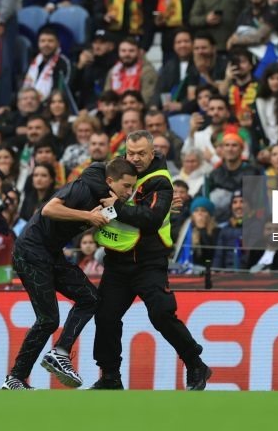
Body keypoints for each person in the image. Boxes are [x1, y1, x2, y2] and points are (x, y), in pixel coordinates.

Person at [3, 157, 138, 390]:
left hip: (51, 254)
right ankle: (15, 378)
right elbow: (49, 209)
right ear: (110, 180)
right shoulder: (83, 188)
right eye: (126, 186)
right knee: (48, 319)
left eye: (133, 187)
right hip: (30, 252)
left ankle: (60, 353)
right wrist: (88, 217)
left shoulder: (109, 199)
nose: (129, 191)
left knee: (91, 298)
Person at [92, 130, 211, 391]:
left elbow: (151, 219)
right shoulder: (115, 170)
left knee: (161, 313)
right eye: (130, 153)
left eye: (141, 154)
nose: (134, 158)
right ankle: (110, 376)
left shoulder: (161, 182)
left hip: (149, 261)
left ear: (152, 153)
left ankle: (195, 362)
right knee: (106, 316)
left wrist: (116, 208)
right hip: (117, 261)